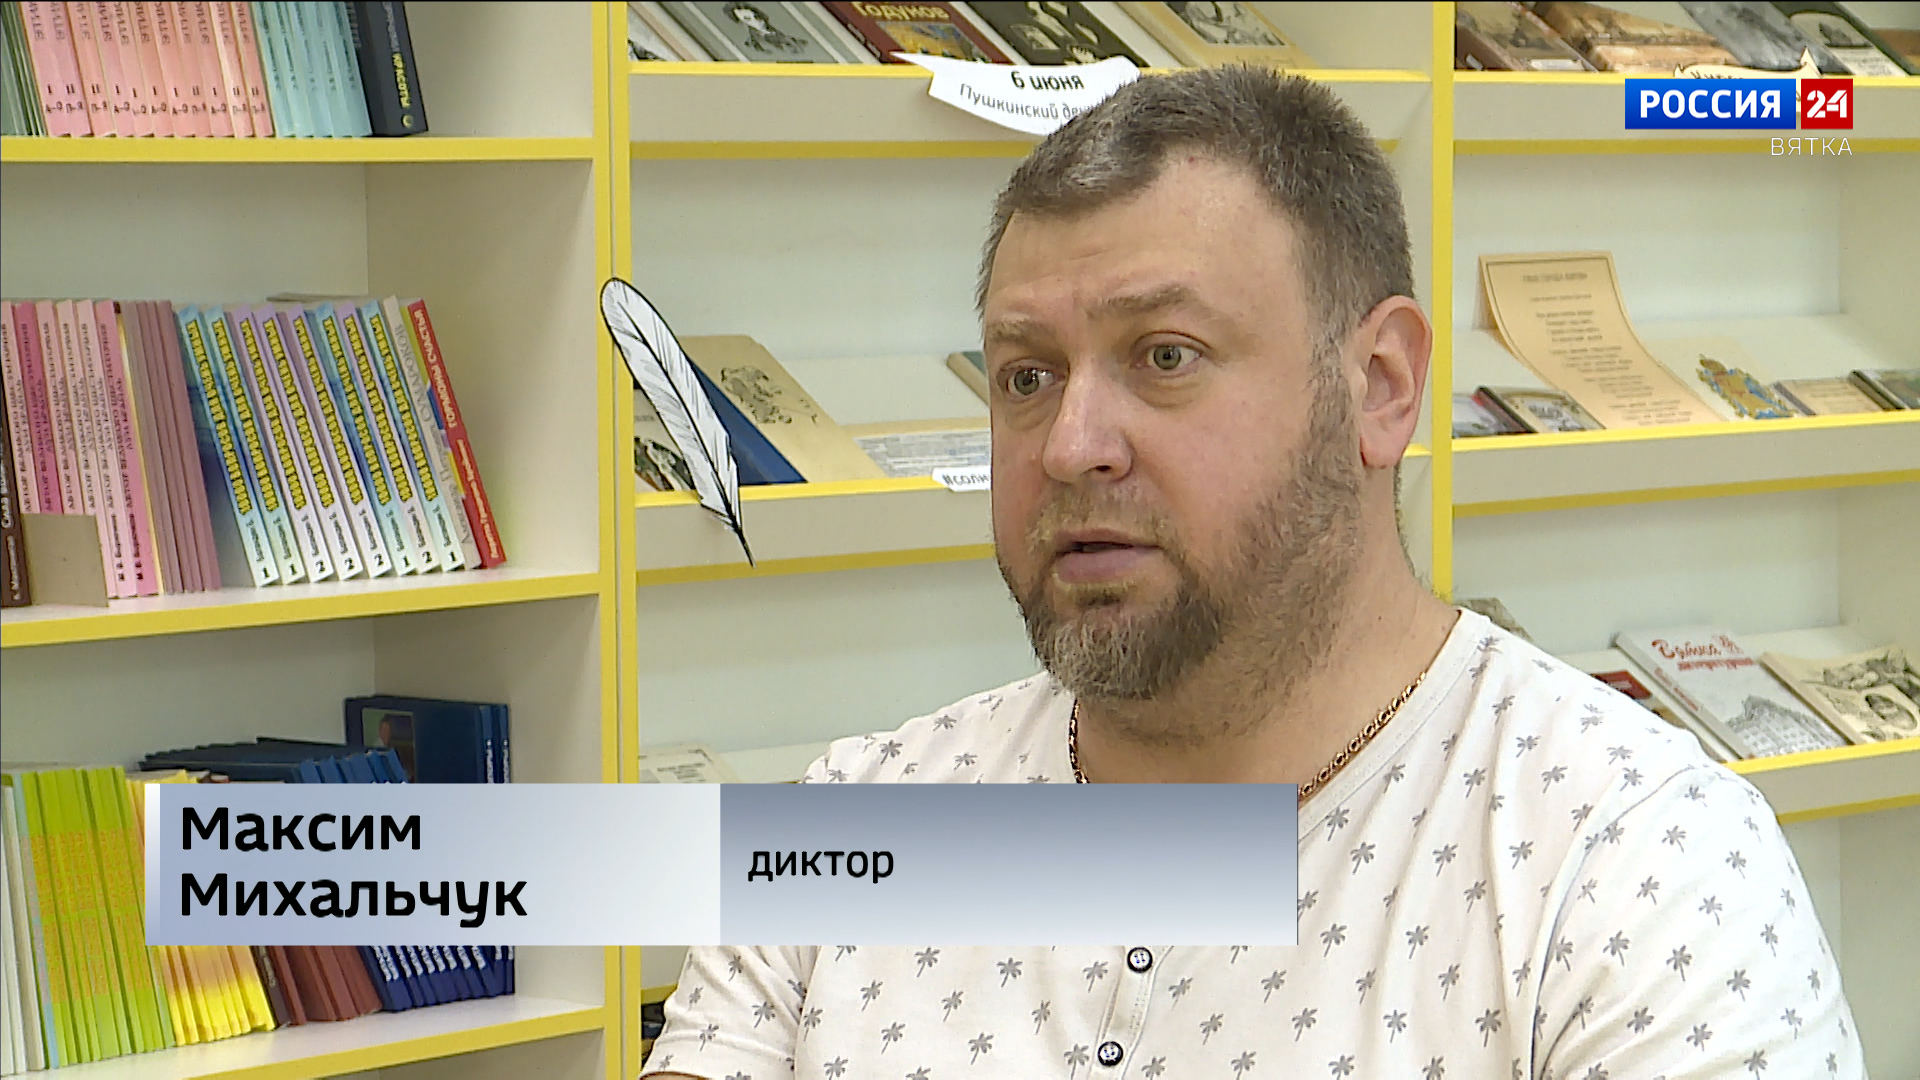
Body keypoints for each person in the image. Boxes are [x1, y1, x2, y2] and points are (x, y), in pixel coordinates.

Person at [642, 67, 1862, 1079]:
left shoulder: (1635, 864)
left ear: (1379, 385)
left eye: (1165, 356)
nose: (1070, 445)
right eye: (1027, 376)